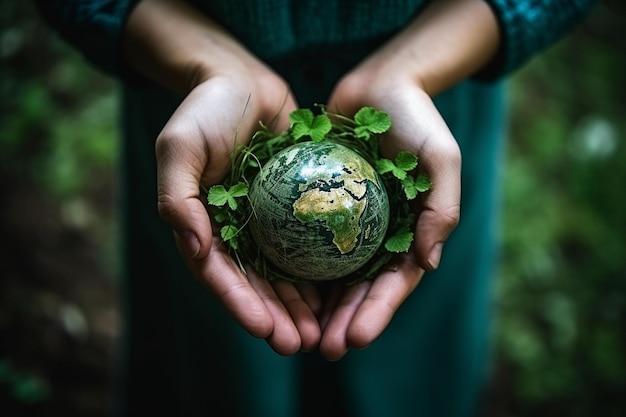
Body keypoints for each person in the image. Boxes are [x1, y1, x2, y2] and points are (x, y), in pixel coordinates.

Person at [35, 0, 595, 416]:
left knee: (409, 371)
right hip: (204, 113)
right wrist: (202, 62)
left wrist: (415, 68)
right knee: (214, 372)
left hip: (429, 102)